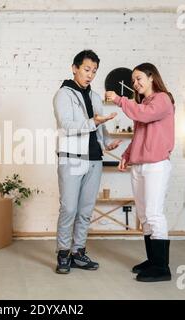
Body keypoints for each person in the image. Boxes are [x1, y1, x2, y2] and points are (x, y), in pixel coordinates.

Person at [53, 50, 122, 274]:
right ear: (74, 68)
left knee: (85, 210)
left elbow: (100, 126)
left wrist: (107, 142)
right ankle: (63, 254)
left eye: (94, 71)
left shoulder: (93, 96)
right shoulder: (63, 94)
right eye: (86, 69)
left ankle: (78, 252)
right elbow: (67, 126)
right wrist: (93, 121)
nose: (90, 75)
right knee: (69, 208)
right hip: (72, 159)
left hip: (94, 159)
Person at [105, 62, 175, 282]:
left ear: (151, 77)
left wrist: (118, 99)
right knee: (144, 215)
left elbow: (143, 115)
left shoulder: (163, 99)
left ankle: (162, 268)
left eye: (138, 79)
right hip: (140, 165)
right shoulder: (144, 103)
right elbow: (140, 135)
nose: (135, 84)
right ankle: (153, 261)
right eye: (133, 80)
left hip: (155, 165)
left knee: (154, 214)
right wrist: (127, 155)